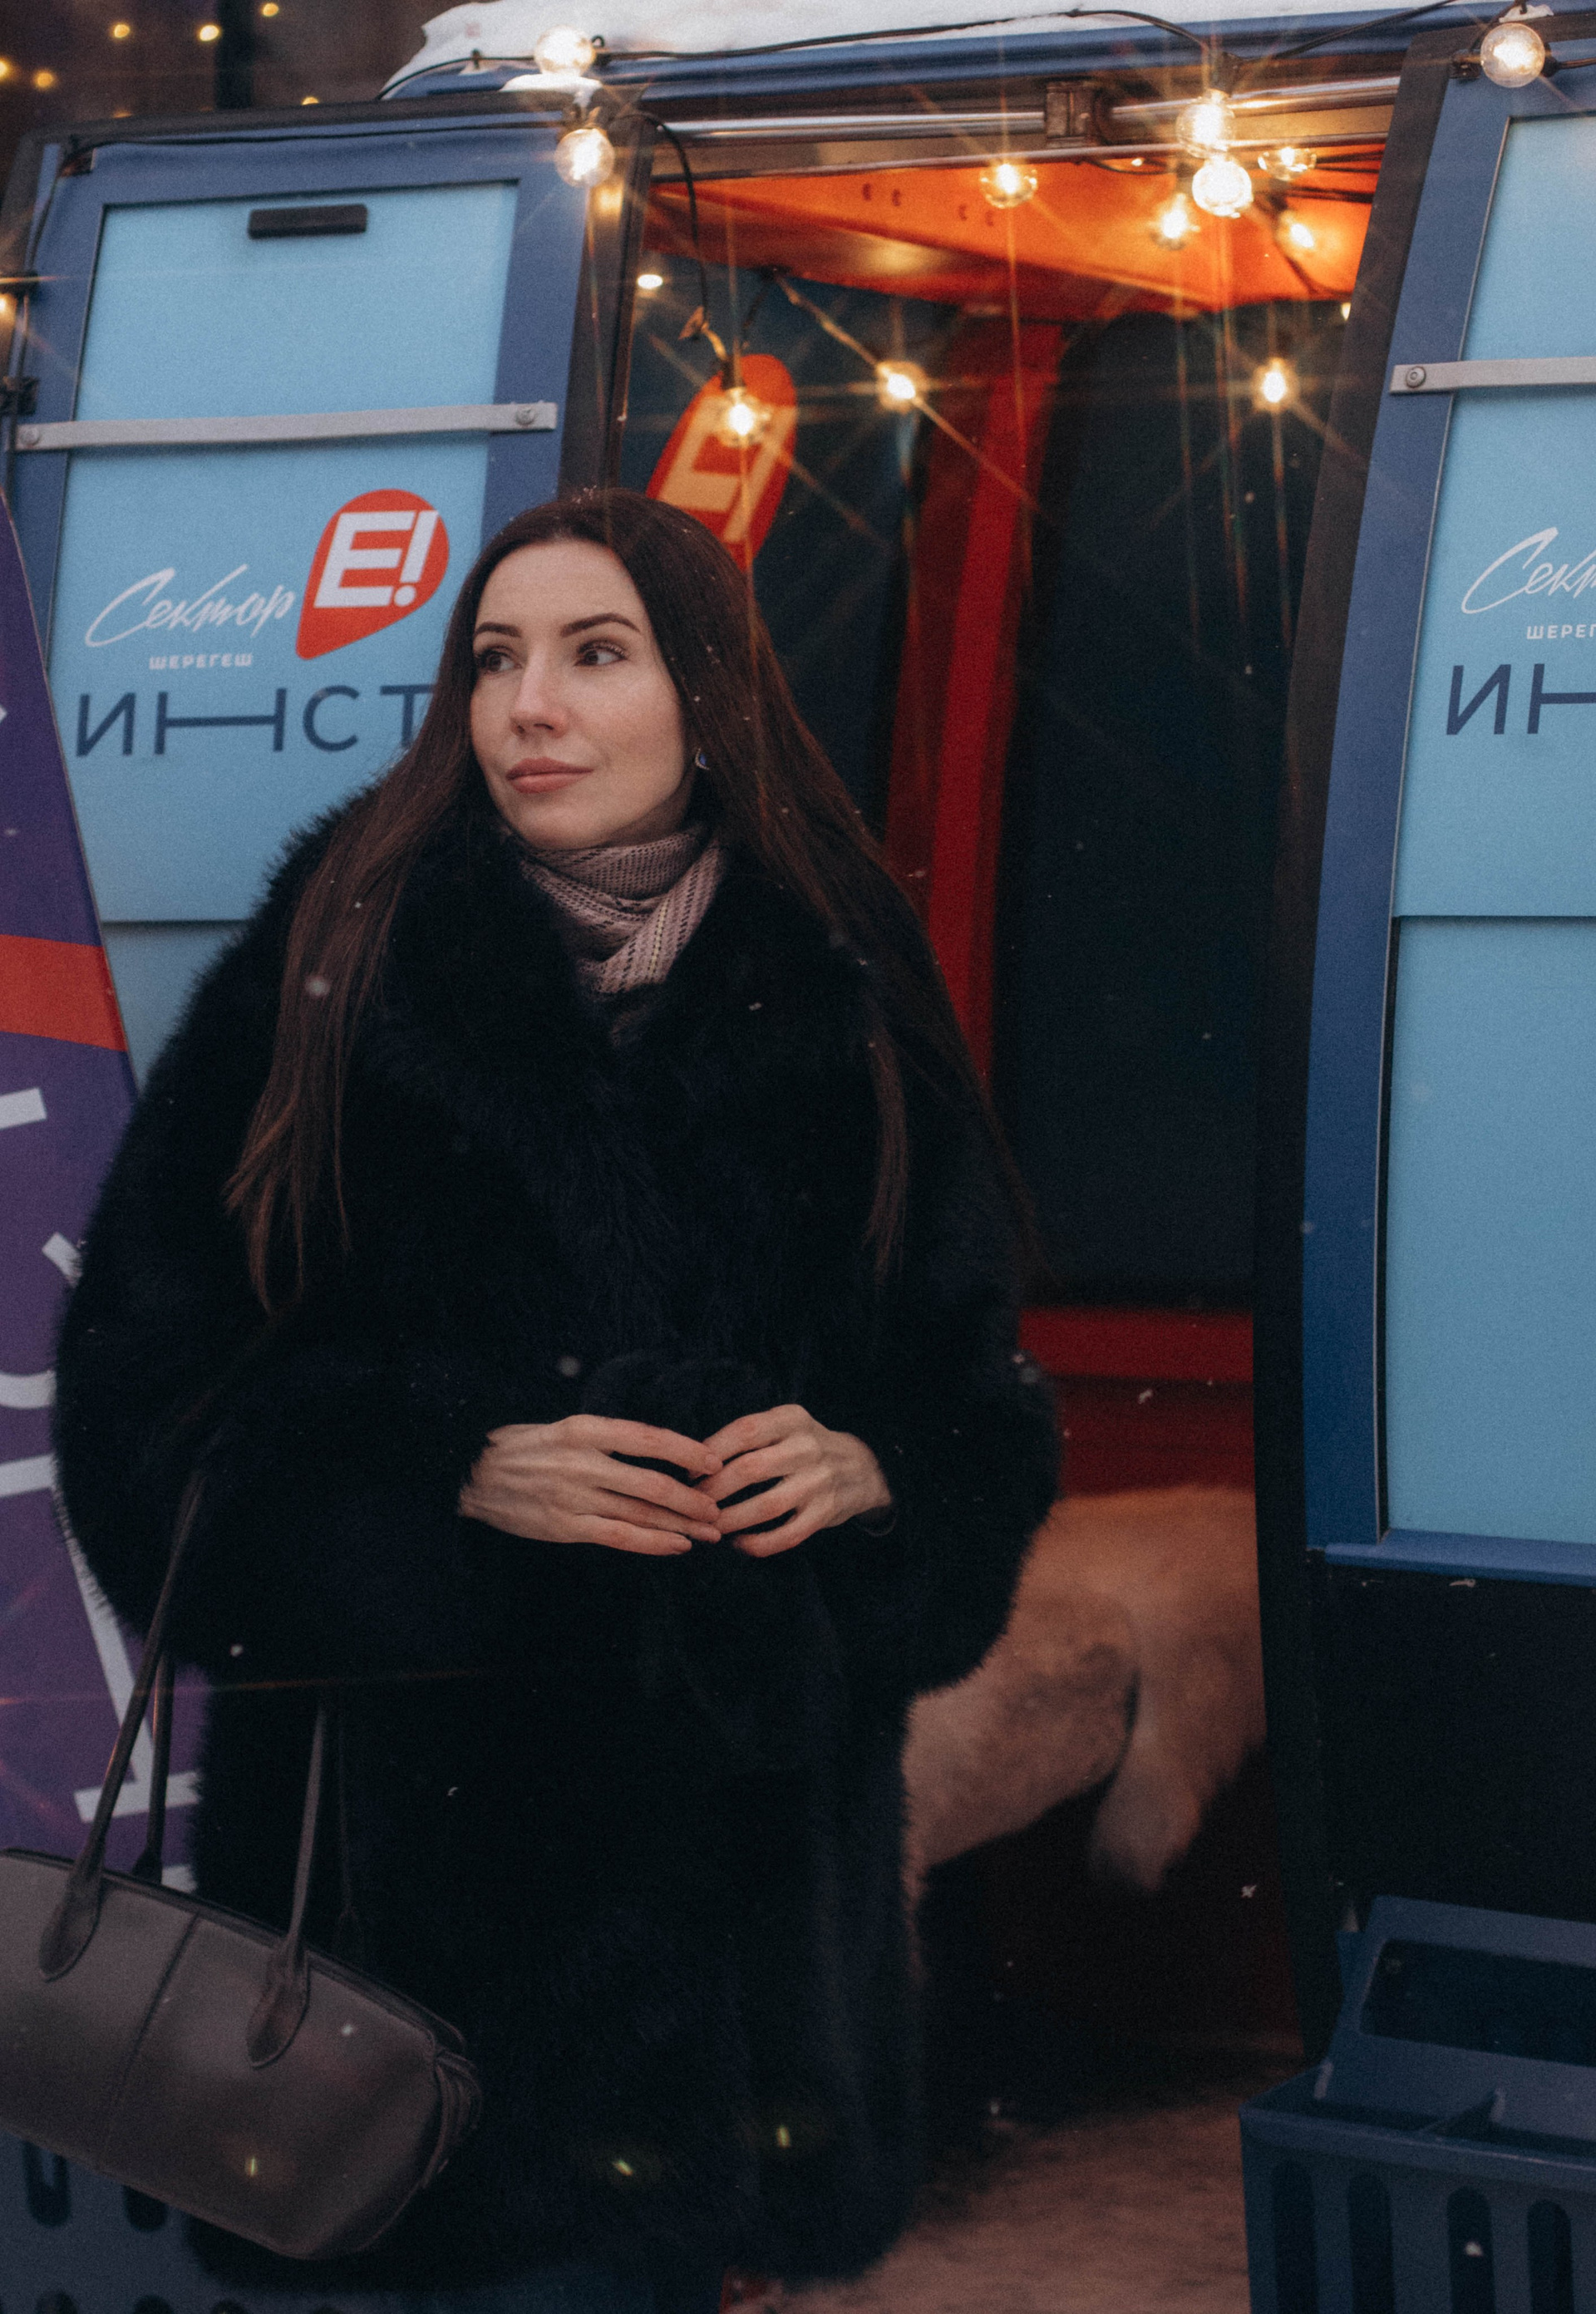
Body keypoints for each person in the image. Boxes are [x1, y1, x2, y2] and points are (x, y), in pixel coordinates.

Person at [52, 487, 1060, 2312]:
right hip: (410, 1965)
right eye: (495, 659)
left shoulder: (839, 970)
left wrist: (878, 1477)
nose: (531, 708)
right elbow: (142, 1413)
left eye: (597, 655)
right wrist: (446, 1472)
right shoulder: (337, 956)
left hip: (745, 1969)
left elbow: (974, 1404)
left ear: (707, 695)